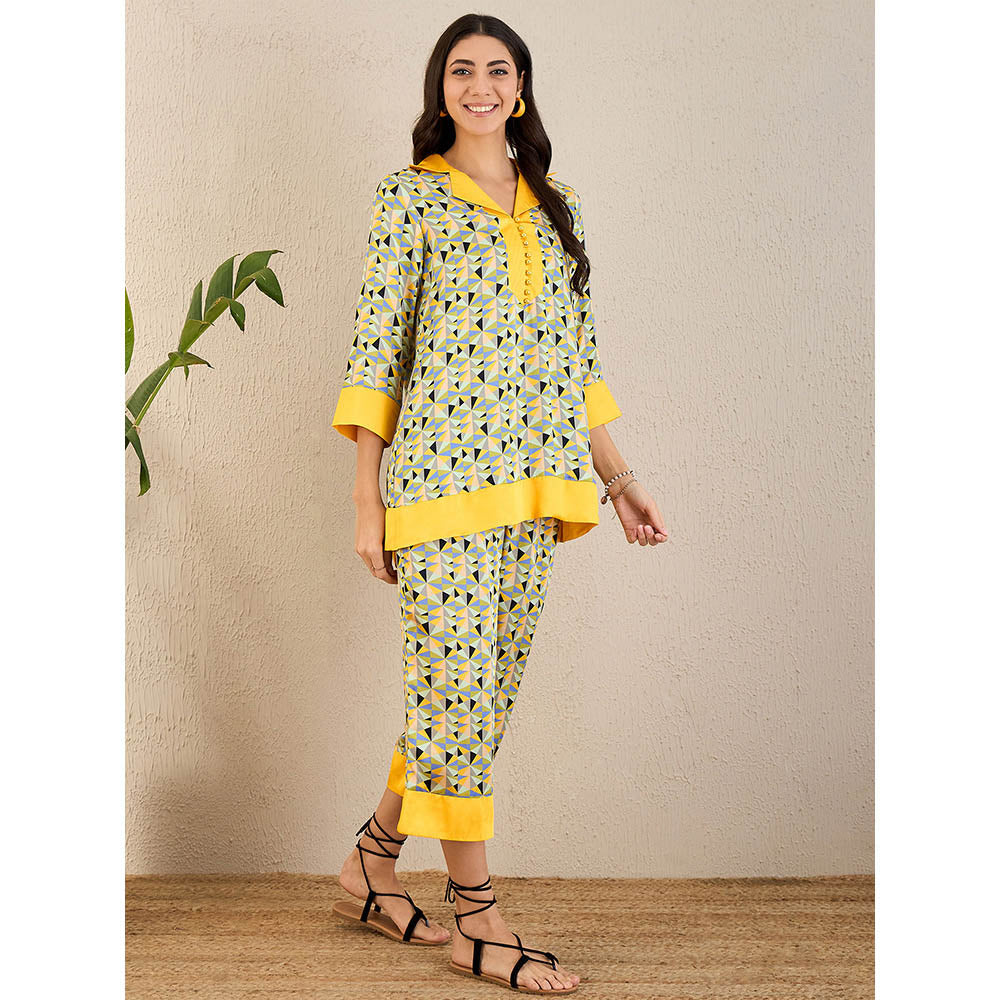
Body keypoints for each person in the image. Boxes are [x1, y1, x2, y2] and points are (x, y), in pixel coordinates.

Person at [329, 14, 669, 995]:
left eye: (497, 69)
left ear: (520, 89)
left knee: (472, 700)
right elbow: (376, 353)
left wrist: (619, 479)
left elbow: (576, 359)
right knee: (458, 694)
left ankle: (370, 861)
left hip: (539, 486)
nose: (479, 84)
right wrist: (366, 501)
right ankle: (477, 915)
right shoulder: (408, 199)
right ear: (441, 89)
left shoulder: (559, 204)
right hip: (438, 488)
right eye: (461, 70)